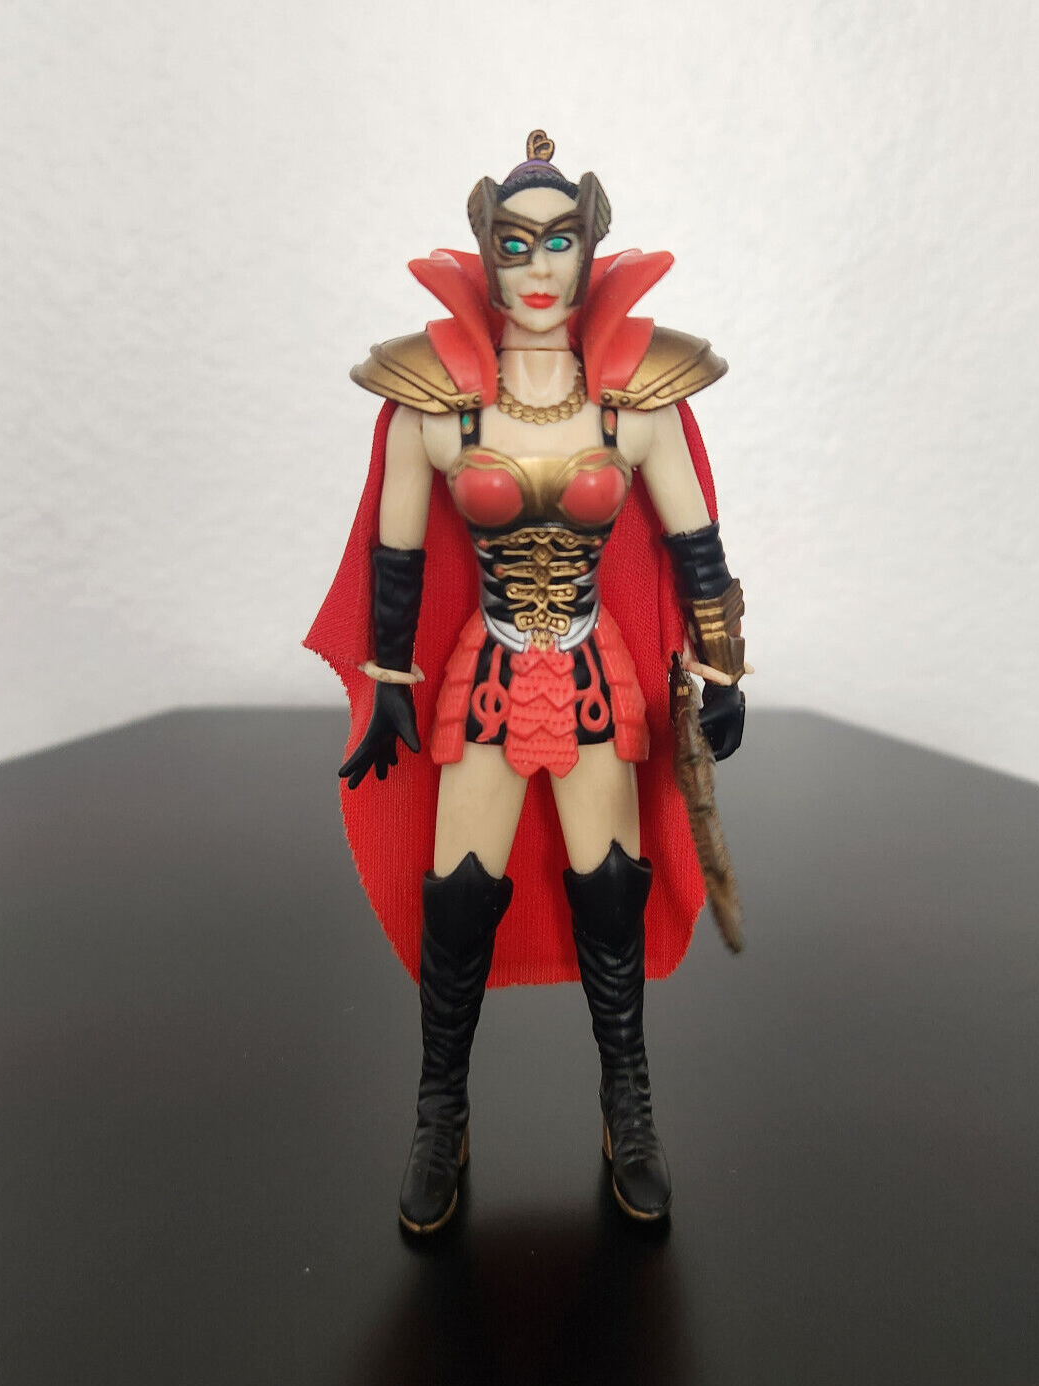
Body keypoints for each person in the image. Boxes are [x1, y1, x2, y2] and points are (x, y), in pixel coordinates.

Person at [306, 131, 746, 1233]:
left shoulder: (633, 404)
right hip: (490, 674)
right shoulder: (435, 406)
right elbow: (395, 560)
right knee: (458, 898)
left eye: (558, 242)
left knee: (613, 890)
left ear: (590, 254)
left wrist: (723, 668)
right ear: (486, 257)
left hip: (595, 674)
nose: (538, 267)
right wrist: (389, 682)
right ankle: (439, 1111)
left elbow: (697, 547)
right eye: (515, 244)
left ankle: (628, 1103)